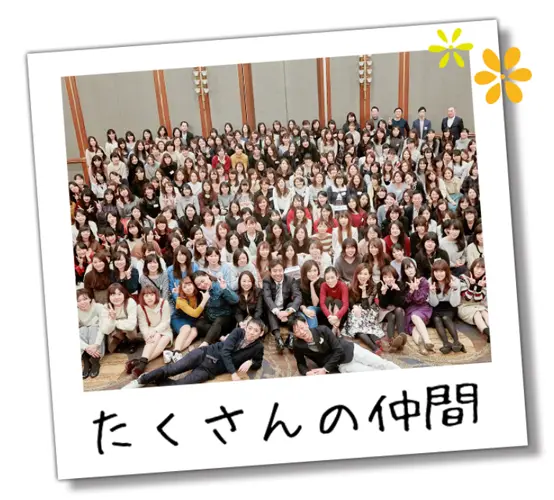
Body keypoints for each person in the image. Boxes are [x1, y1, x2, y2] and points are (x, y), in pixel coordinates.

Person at [125, 319, 266, 388]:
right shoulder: (237, 332)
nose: (251, 332)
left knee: (182, 386)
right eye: (250, 328)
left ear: (261, 334)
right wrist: (233, 374)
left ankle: (155, 379)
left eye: (256, 331)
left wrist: (251, 361)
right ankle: (141, 380)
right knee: (172, 369)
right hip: (204, 354)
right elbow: (225, 352)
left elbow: (258, 362)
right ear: (246, 327)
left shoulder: (258, 347)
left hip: (210, 370)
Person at [290, 315, 400, 375]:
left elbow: (338, 350)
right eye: (297, 331)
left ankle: (404, 376)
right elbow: (300, 363)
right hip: (341, 364)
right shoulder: (298, 345)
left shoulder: (322, 330)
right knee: (371, 373)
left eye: (301, 327)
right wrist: (307, 373)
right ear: (294, 334)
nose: (301, 332)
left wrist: (325, 369)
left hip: (351, 350)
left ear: (306, 324)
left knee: (382, 363)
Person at [341, 263, 385, 354]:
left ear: (370, 275)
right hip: (355, 310)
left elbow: (366, 306)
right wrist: (354, 307)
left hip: (368, 311)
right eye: (360, 273)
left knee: (363, 322)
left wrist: (364, 291)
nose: (362, 276)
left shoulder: (373, 286)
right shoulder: (350, 285)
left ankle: (376, 340)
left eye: (365, 274)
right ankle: (374, 346)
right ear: (356, 274)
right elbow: (350, 302)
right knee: (357, 322)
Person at [262, 259, 302, 352]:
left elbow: (298, 297)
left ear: (283, 270)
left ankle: (291, 336)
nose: (278, 273)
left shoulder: (290, 280)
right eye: (274, 271)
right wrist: (278, 312)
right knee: (269, 307)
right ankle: (278, 338)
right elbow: (267, 297)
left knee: (292, 305)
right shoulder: (267, 281)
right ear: (270, 271)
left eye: (280, 270)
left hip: (285, 310)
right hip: (273, 312)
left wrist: (287, 312)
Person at [192, 271, 239, 347]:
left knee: (218, 321)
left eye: (202, 281)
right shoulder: (202, 292)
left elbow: (235, 300)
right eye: (198, 284)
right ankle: (221, 338)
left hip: (224, 318)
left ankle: (205, 344)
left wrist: (225, 289)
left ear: (207, 276)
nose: (202, 285)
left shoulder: (220, 285)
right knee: (199, 324)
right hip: (211, 319)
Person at [429, 259, 464, 354]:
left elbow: (454, 303)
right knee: (436, 319)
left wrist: (455, 290)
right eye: (436, 271)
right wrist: (432, 292)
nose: (438, 274)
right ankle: (446, 343)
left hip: (450, 305)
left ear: (446, 271)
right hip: (437, 306)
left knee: (445, 318)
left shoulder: (455, 281)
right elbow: (433, 304)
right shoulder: (431, 281)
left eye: (441, 271)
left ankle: (456, 341)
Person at [99, 283, 139, 354]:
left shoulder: (130, 302)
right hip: (116, 331)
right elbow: (105, 330)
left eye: (119, 294)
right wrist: (111, 319)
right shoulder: (106, 307)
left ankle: (132, 341)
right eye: (113, 295)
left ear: (124, 294)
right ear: (109, 296)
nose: (116, 297)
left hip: (129, 330)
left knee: (130, 328)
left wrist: (115, 322)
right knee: (111, 348)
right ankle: (122, 340)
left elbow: (132, 325)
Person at [458, 258, 490, 342]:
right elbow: (466, 298)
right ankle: (488, 333)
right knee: (477, 314)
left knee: (484, 312)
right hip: (464, 306)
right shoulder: (463, 277)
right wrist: (472, 286)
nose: (479, 271)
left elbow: (478, 300)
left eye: (482, 269)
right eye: (477, 267)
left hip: (478, 305)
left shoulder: (485, 280)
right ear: (473, 267)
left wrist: (479, 287)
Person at [77, 288, 105, 379]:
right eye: (78, 301)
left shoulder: (99, 307)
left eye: (85, 299)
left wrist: (96, 345)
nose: (82, 302)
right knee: (82, 330)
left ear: (90, 299)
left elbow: (103, 328)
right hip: (86, 343)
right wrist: (86, 347)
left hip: (97, 338)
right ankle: (86, 361)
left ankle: (95, 361)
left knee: (94, 328)